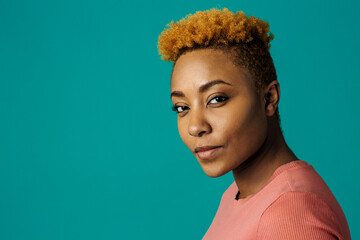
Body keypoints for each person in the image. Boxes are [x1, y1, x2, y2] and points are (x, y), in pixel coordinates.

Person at [157, 8, 351, 240]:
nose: (195, 126)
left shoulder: (290, 210)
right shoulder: (237, 194)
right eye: (182, 107)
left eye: (217, 99)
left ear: (269, 99)